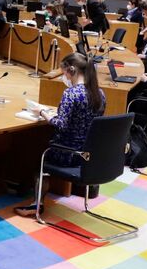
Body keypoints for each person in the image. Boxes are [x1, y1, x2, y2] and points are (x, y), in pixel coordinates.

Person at [15, 53, 105, 218]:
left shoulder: (70, 94)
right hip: (87, 154)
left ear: (71, 70)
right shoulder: (99, 93)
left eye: (63, 73)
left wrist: (42, 112)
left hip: (67, 153)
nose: (64, 76)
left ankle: (36, 204)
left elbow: (61, 125)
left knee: (38, 160)